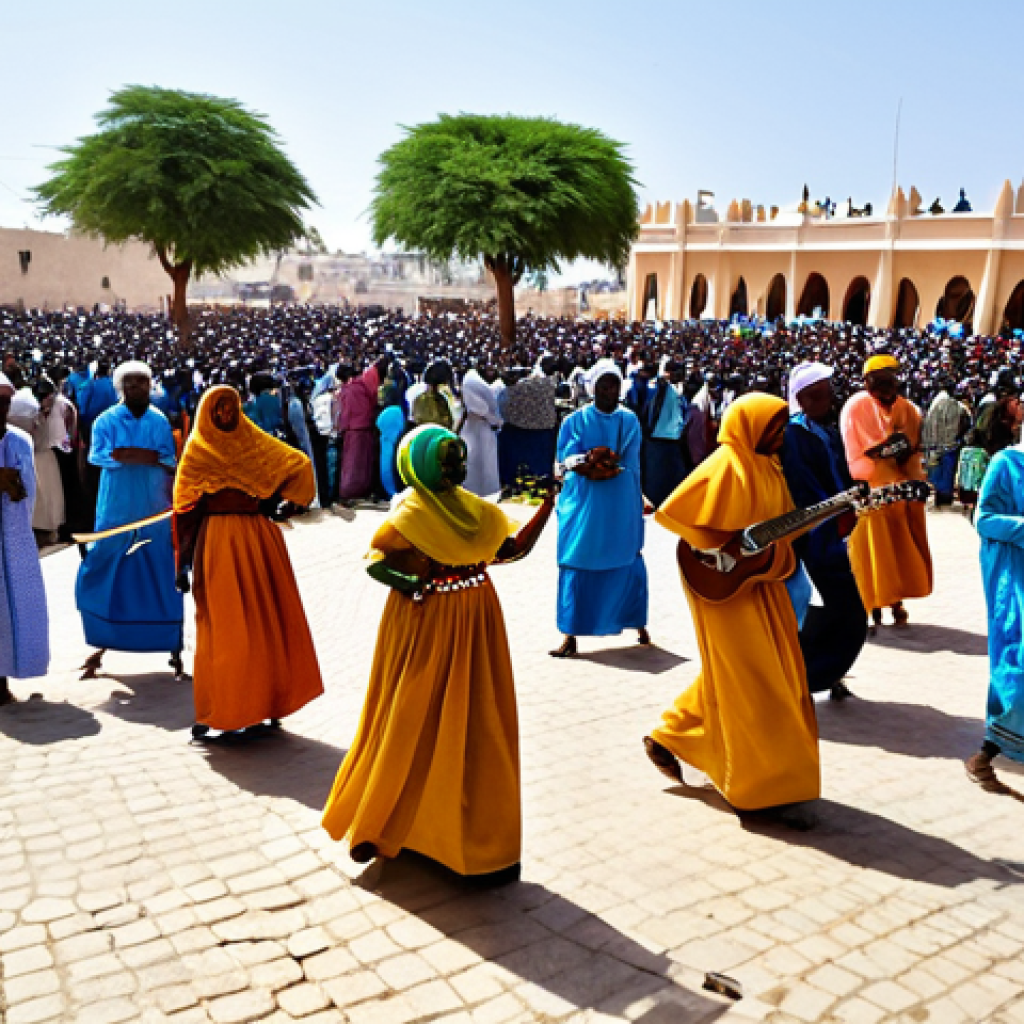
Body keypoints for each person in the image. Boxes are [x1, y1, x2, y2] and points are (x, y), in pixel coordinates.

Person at [321, 424, 554, 882]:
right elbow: (377, 562)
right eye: (447, 461)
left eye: (459, 460)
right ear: (422, 465)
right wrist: (416, 582)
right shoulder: (409, 512)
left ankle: (473, 844)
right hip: (423, 624)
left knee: (475, 723)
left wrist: (548, 504)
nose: (457, 469)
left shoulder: (478, 512)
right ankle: (386, 823)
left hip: (476, 620)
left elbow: (512, 550)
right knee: (411, 717)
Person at [644, 393, 820, 814]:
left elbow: (778, 533)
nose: (781, 435)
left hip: (763, 585)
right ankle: (755, 788)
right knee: (753, 680)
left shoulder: (771, 470)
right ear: (750, 426)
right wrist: (724, 551)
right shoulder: (724, 466)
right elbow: (677, 517)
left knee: (768, 673)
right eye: (773, 427)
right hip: (722, 590)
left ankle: (673, 735)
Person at [173, 386, 323, 738]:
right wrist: (182, 562)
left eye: (231, 408)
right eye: (218, 409)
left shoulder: (254, 443)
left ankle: (265, 705)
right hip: (221, 543)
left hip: (257, 540)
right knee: (227, 630)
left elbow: (299, 465)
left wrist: (285, 503)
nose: (225, 415)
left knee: (261, 622)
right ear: (208, 412)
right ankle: (228, 710)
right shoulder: (198, 452)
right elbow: (185, 512)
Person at [75, 361, 184, 677]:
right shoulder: (105, 420)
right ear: (121, 387)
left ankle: (172, 647)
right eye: (132, 384)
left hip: (154, 508)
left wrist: (129, 455)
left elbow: (166, 459)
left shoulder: (159, 420)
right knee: (106, 569)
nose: (139, 389)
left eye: (143, 383)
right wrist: (141, 456)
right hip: (116, 509)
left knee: (160, 570)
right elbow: (100, 456)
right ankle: (101, 641)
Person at [550, 359, 650, 658]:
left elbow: (630, 464)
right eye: (603, 385)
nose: (609, 391)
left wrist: (607, 467)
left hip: (619, 501)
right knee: (577, 559)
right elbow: (560, 464)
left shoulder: (628, 420)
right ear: (593, 387)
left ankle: (636, 623)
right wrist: (583, 463)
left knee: (625, 556)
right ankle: (570, 635)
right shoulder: (574, 421)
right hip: (584, 505)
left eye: (614, 385)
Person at [781, 362, 866, 700]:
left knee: (838, 613)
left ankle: (826, 674)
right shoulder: (794, 435)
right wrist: (832, 514)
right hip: (813, 539)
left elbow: (841, 475)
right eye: (819, 394)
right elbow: (803, 487)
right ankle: (808, 678)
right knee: (837, 613)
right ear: (802, 398)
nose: (828, 399)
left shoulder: (827, 433)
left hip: (838, 535)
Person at [840, 354, 932, 629]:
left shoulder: (906, 409)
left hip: (899, 489)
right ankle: (870, 603)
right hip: (869, 490)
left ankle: (895, 601)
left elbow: (911, 448)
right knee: (871, 552)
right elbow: (873, 449)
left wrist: (916, 478)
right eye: (878, 380)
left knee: (898, 550)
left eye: (889, 379)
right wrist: (895, 446)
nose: (884, 386)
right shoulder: (858, 405)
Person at [966, 441, 1024, 788]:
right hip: (1014, 578)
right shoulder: (1007, 462)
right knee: (1016, 665)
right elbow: (984, 518)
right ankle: (988, 750)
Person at [0, 373, 50, 705]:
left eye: (4, 402)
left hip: (14, 537)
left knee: (12, 608)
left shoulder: (19, 441)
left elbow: (27, 493)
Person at [496, 360, 558, 486]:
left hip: (517, 439)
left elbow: (502, 413)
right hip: (540, 439)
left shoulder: (505, 394)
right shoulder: (546, 386)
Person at [338, 358, 386, 500]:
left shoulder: (347, 390)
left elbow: (346, 412)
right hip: (366, 427)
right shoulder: (363, 386)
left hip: (352, 429)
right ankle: (363, 490)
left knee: (352, 462)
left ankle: (349, 491)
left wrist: (342, 427)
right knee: (364, 462)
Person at [921, 378, 967, 506]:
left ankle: (942, 497)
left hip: (935, 444)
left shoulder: (936, 401)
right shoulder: (949, 403)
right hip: (946, 446)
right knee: (945, 476)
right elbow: (951, 428)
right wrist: (950, 444)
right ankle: (944, 498)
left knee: (938, 475)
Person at [460, 366, 502, 497]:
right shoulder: (477, 405)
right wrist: (498, 421)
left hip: (478, 429)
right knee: (478, 466)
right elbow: (483, 410)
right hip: (480, 430)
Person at [376, 378, 407, 499]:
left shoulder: (384, 412)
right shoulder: (400, 411)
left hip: (385, 445)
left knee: (385, 467)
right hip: (398, 445)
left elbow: (378, 425)